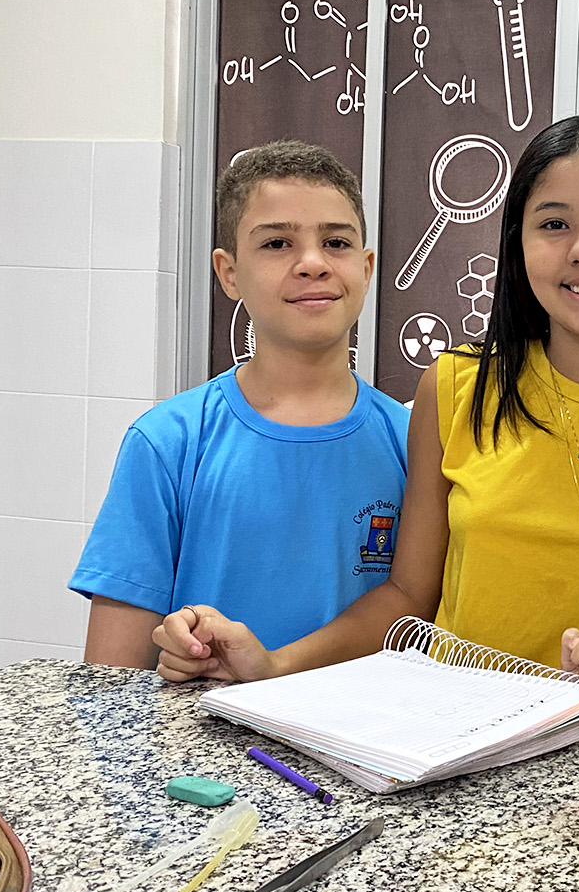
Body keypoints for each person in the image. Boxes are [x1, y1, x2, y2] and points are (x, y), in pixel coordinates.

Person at [151, 116, 579, 720]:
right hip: (449, 737)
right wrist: (274, 665)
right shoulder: (456, 389)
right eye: (553, 224)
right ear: (518, 248)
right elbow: (407, 597)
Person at [71, 140, 409, 667]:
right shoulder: (168, 443)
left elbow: (422, 621)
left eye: (336, 242)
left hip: (364, 722)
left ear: (366, 268)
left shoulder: (412, 442)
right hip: (200, 721)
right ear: (229, 273)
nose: (313, 263)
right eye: (277, 243)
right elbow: (110, 686)